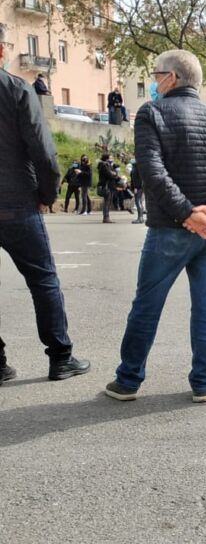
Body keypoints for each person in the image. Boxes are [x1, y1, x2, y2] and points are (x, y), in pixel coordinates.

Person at [104, 49, 206, 402]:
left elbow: (152, 172)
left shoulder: (153, 113)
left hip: (170, 228)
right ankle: (204, 382)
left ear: (172, 78)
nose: (154, 83)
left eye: (156, 76)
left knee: (147, 305)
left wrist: (188, 214)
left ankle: (128, 380)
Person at [0, 24, 89, 386]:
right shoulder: (16, 89)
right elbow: (44, 152)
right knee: (43, 279)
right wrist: (46, 196)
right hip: (16, 201)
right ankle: (60, 358)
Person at [97, 153, 117, 223]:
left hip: (108, 185)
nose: (111, 159)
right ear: (106, 158)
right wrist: (113, 173)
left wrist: (114, 173)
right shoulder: (104, 165)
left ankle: (106, 217)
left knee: (107, 202)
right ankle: (106, 217)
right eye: (110, 158)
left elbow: (113, 173)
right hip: (106, 186)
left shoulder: (107, 165)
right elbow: (110, 175)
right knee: (107, 202)